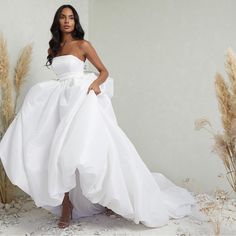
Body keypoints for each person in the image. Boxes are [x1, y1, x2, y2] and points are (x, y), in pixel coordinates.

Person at [0, 4, 196, 229]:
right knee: (55, 152)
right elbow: (61, 76)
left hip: (81, 99)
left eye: (71, 18)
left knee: (84, 151)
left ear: (75, 22)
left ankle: (110, 196)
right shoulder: (53, 48)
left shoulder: (83, 45)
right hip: (60, 101)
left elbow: (104, 71)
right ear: (57, 22)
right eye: (63, 17)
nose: (67, 21)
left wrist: (94, 85)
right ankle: (67, 204)